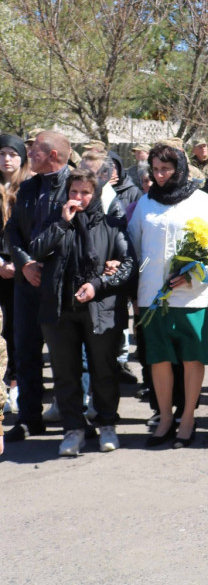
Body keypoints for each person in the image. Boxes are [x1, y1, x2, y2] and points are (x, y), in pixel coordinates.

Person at [128, 143, 208, 448]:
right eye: (155, 170)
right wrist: (138, 282)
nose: (159, 175)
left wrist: (196, 276)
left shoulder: (203, 202)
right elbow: (135, 245)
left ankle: (187, 418)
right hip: (152, 296)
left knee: (190, 357)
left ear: (180, 168)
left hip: (190, 295)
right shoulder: (146, 203)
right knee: (158, 358)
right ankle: (166, 419)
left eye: (165, 169)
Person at [28, 168, 133, 456]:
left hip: (100, 311)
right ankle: (73, 429)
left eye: (85, 192)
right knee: (65, 374)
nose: (78, 197)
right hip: (60, 310)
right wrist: (62, 223)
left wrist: (98, 284)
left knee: (104, 370)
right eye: (74, 192)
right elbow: (35, 249)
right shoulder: (56, 220)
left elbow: (127, 265)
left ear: (96, 194)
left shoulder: (112, 224)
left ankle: (107, 424)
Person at [4, 130, 72, 442]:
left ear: (53, 155)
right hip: (26, 284)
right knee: (26, 351)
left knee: (65, 355)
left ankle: (72, 417)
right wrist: (26, 264)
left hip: (61, 284)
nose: (28, 156)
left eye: (35, 152)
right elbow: (12, 232)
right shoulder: (29, 187)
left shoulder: (76, 185)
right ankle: (30, 418)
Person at [0, 133, 31, 421]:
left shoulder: (30, 188)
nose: (7, 159)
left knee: (18, 330)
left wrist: (20, 263)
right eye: (2, 153)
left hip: (23, 269)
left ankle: (16, 384)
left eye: (13, 153)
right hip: (0, 267)